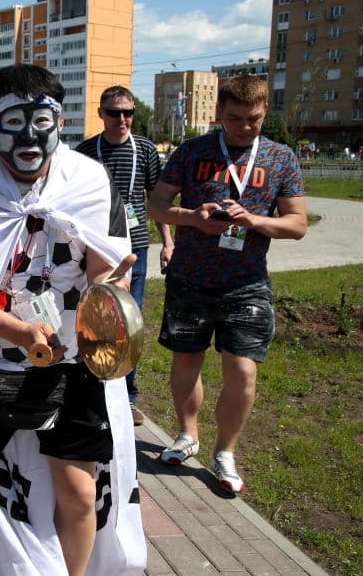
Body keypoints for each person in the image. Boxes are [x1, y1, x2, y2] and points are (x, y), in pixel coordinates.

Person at [0, 64, 144, 576]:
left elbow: (103, 267)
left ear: (60, 122)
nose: (28, 138)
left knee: (78, 486)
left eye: (41, 122)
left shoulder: (89, 182)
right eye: (12, 123)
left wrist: (109, 289)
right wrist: (20, 332)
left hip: (72, 360)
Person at [148, 74, 307, 494]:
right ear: (219, 113)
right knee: (186, 363)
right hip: (190, 279)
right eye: (235, 119)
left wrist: (254, 220)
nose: (244, 127)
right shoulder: (192, 151)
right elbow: (157, 205)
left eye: (253, 119)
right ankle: (187, 434)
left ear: (264, 113)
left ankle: (226, 451)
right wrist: (193, 218)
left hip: (246, 283)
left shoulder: (279, 158)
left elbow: (298, 224)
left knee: (242, 373)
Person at [76, 85, 174, 427]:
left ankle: (126, 396)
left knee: (128, 322)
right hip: (96, 248)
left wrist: (168, 242)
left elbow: (156, 200)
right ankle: (92, 386)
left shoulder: (145, 149)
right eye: (115, 112)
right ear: (101, 113)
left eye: (128, 112)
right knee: (94, 317)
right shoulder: (87, 150)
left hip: (135, 247)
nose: (122, 119)